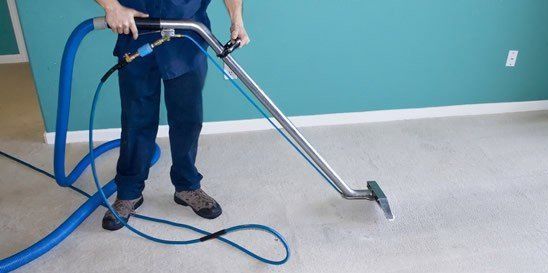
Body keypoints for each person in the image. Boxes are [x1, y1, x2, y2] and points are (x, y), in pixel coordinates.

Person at [95, 0, 250, 230]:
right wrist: (112, 8)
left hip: (186, 36)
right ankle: (129, 192)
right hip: (136, 32)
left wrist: (237, 19)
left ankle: (187, 185)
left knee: (188, 120)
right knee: (136, 121)